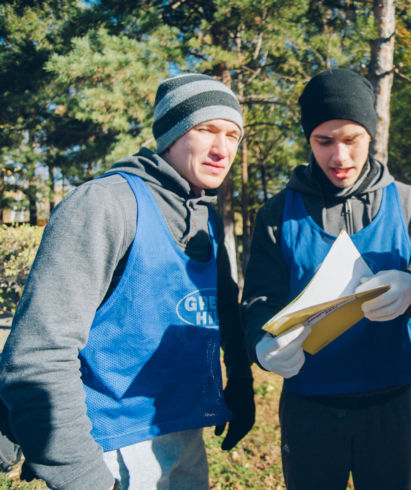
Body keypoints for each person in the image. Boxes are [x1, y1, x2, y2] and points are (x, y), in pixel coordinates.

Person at [0, 73, 255, 489]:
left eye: (233, 135)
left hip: (183, 436)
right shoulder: (105, 205)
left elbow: (224, 306)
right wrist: (84, 477)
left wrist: (241, 383)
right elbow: (37, 357)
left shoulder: (205, 215)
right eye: (205, 129)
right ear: (172, 132)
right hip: (109, 448)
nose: (222, 149)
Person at [241, 68, 411, 490]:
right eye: (324, 141)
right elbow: (259, 299)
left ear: (372, 134)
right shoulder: (277, 214)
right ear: (308, 140)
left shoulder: (408, 204)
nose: (340, 157)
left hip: (389, 404)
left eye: (352, 139)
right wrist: (259, 344)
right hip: (309, 405)